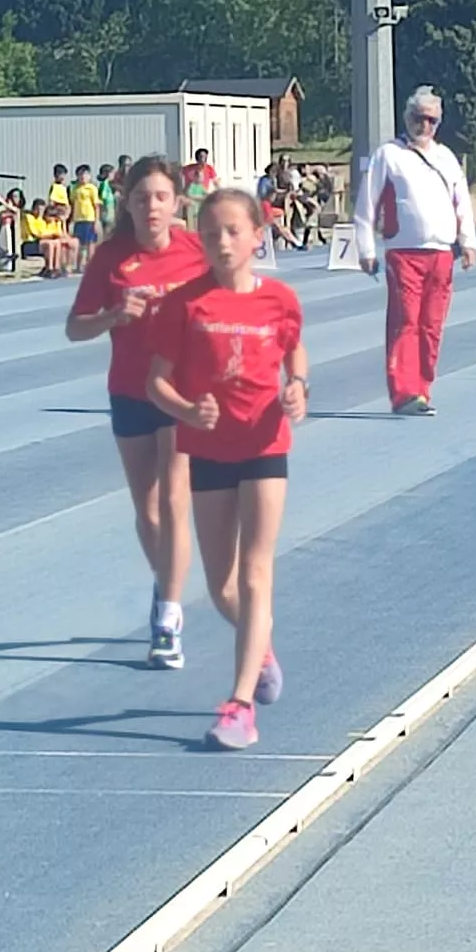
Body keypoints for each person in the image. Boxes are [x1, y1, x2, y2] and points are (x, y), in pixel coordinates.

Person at [146, 188, 307, 751]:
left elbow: (294, 352)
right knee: (221, 587)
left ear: (257, 236)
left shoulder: (280, 300)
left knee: (257, 572)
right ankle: (259, 647)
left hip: (264, 446)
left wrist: (299, 389)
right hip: (208, 450)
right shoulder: (184, 305)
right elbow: (156, 384)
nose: (222, 242)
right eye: (211, 232)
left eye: (234, 231)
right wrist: (188, 409)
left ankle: (239, 706)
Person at [66, 155, 209, 671]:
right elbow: (74, 328)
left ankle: (167, 618)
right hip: (128, 391)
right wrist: (111, 315)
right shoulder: (111, 258)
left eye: (161, 197)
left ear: (176, 204)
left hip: (180, 392)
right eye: (142, 197)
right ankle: (166, 583)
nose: (152, 207)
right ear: (127, 203)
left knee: (174, 501)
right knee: (147, 511)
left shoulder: (197, 252)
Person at [354, 86, 476, 417]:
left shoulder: (446, 157)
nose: (424, 126)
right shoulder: (388, 155)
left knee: (431, 324)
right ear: (406, 118)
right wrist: (366, 248)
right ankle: (403, 393)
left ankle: (423, 389)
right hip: (403, 253)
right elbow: (367, 203)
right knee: (405, 321)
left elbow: (462, 201)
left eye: (431, 121)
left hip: (441, 254)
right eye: (418, 119)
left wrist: (468, 241)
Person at [68, 165, 101, 271]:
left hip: (89, 219)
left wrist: (96, 221)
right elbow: (72, 204)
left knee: (90, 243)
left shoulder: (92, 188)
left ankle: (91, 265)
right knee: (79, 244)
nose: (82, 177)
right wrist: (71, 220)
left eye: (85, 174)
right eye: (80, 174)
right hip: (78, 219)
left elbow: (96, 206)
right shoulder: (75, 188)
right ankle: (78, 266)